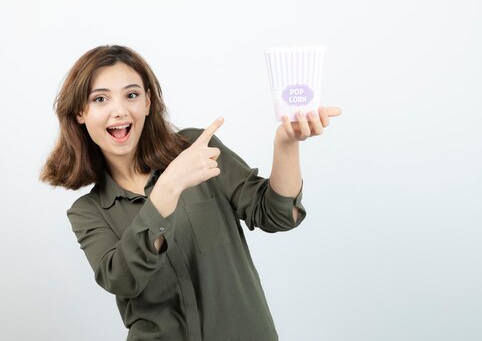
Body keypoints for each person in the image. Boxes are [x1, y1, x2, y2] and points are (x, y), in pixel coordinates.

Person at [40, 45, 342, 341]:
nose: (119, 110)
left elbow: (278, 215)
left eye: (131, 95)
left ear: (147, 102)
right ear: (81, 112)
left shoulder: (196, 149)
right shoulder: (87, 212)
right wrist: (169, 188)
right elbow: (123, 279)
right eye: (100, 99)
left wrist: (286, 143)